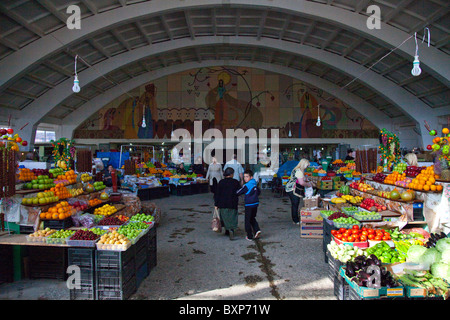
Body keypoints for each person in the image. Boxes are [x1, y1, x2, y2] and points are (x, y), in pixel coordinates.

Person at [214, 167, 241, 240]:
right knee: (232, 217)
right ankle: (231, 230)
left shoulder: (221, 182)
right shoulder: (235, 182)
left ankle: (226, 230)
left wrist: (216, 204)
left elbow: (217, 194)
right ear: (232, 174)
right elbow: (239, 192)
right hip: (232, 203)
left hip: (223, 204)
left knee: (224, 217)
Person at [285, 159, 313, 225]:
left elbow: (301, 178)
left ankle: (295, 218)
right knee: (295, 204)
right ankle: (295, 220)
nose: (307, 167)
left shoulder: (297, 169)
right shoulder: (299, 171)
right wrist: (308, 184)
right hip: (292, 189)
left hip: (291, 187)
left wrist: (306, 178)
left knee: (295, 204)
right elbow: (301, 182)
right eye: (307, 166)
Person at [237, 169, 261, 241]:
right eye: (244, 177)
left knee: (247, 220)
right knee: (252, 218)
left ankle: (249, 235)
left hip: (249, 204)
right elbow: (259, 192)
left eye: (247, 176)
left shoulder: (247, 185)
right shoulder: (254, 183)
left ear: (251, 177)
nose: (245, 178)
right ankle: (257, 230)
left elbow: (238, 192)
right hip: (255, 204)